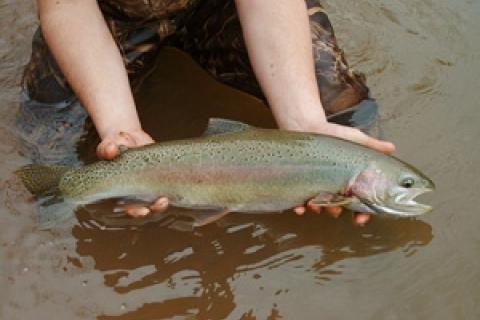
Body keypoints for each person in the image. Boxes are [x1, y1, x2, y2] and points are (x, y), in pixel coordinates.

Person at [17, 0, 395, 225]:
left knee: (338, 106)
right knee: (51, 128)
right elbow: (66, 7)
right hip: (112, 12)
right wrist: (121, 127)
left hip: (220, 7)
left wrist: (304, 124)